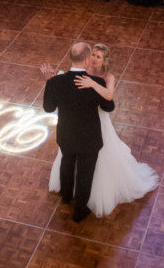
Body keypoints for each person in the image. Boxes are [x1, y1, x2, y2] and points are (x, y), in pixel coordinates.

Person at [46, 43, 158, 217]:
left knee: (80, 162)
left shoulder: (105, 78)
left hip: (92, 125)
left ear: (105, 61)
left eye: (98, 57)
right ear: (86, 58)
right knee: (77, 165)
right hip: (84, 130)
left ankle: (73, 196)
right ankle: (74, 202)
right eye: (93, 55)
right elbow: (67, 82)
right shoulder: (78, 75)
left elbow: (108, 102)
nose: (94, 59)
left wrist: (92, 84)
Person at [43, 41, 115, 222]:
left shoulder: (56, 81)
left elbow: (48, 108)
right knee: (85, 172)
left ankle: (66, 196)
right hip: (89, 138)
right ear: (85, 60)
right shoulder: (96, 82)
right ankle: (80, 210)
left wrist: (49, 82)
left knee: (66, 163)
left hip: (66, 135)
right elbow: (108, 107)